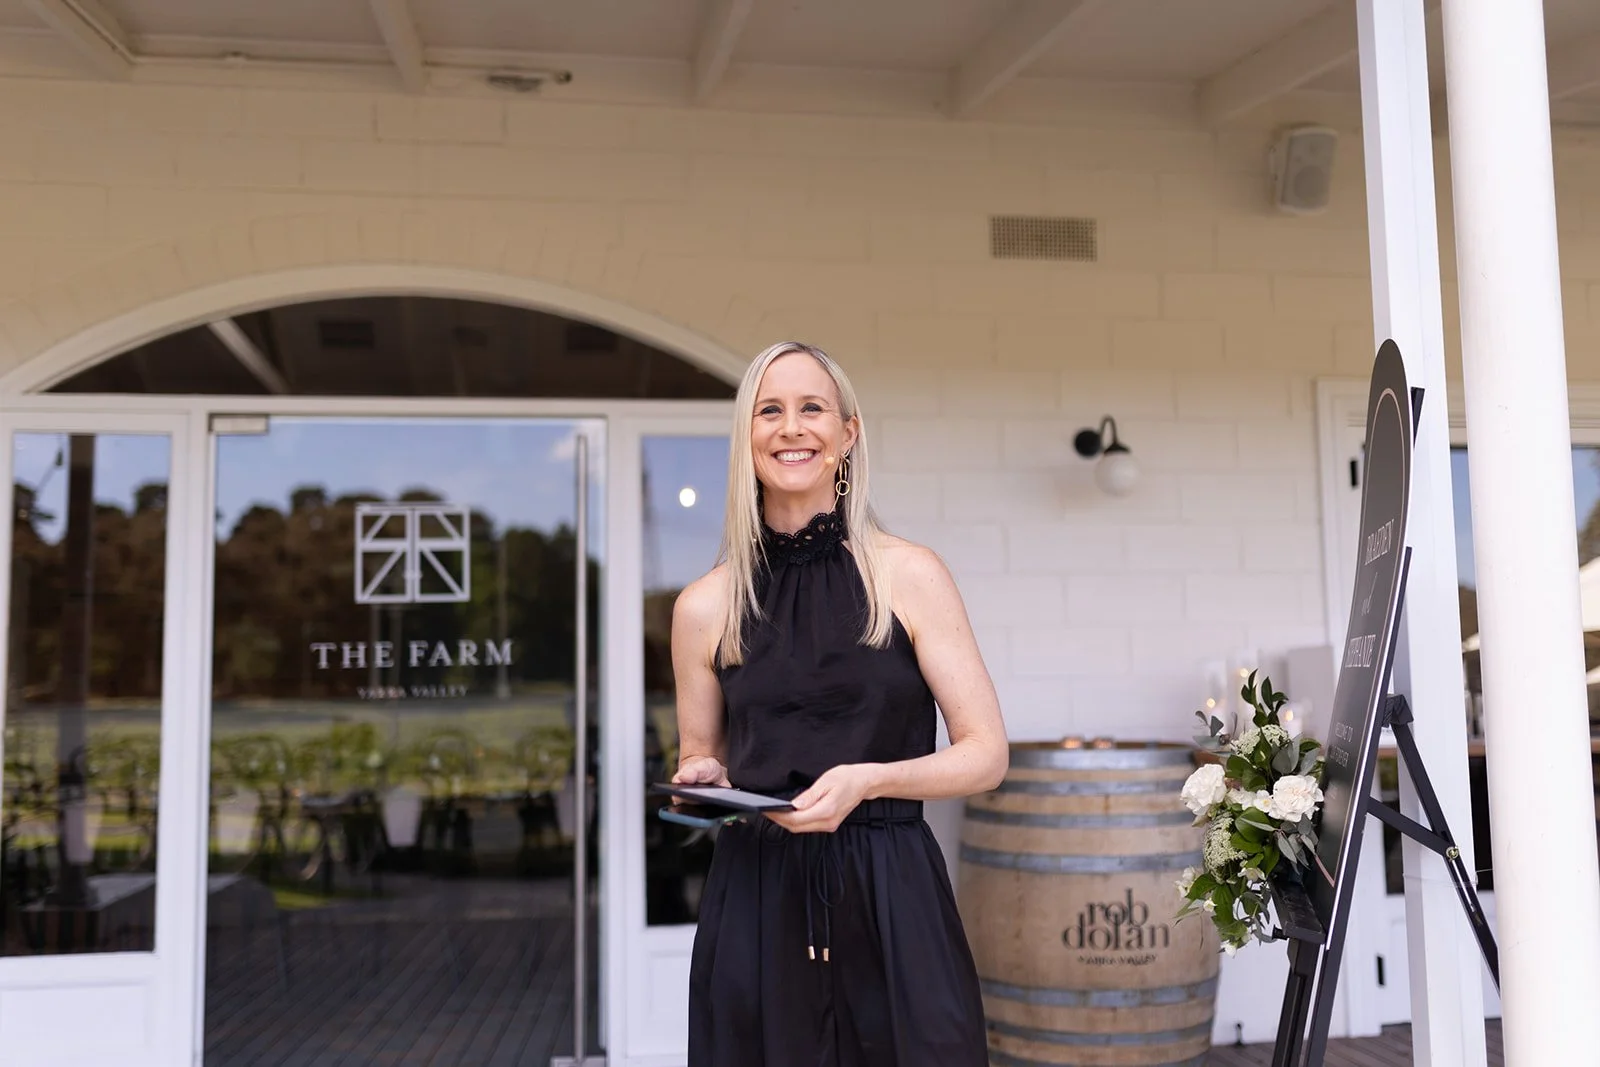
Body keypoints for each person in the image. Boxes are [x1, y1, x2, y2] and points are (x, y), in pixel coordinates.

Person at [670, 340, 1010, 1066]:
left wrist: (873, 777)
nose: (791, 427)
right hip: (757, 899)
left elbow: (986, 753)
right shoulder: (705, 605)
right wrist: (701, 774)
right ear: (747, 437)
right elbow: (701, 756)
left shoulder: (909, 575)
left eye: (811, 408)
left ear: (848, 434)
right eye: (770, 410)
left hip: (892, 890)